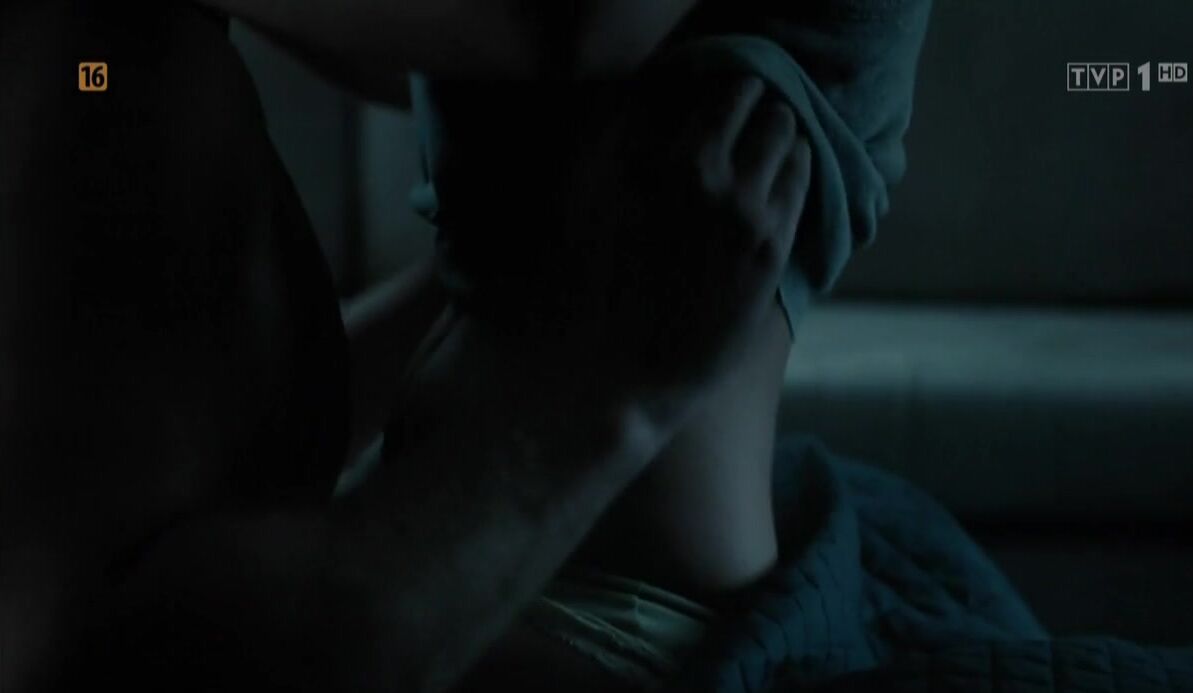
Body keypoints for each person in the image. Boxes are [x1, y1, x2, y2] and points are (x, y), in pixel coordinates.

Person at [0, 2, 809, 692]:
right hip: (486, 577)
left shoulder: (116, 71)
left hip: (574, 588)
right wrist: (604, 397)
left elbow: (562, 31)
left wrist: (536, 315)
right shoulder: (90, 75)